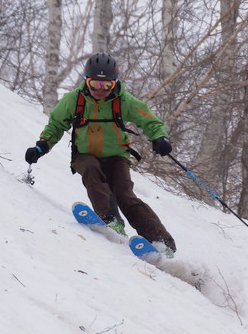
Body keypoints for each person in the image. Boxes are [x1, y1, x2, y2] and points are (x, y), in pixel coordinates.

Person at [25, 52, 176, 254]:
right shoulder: (74, 100)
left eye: (107, 86)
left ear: (115, 84)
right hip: (84, 154)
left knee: (125, 194)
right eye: (95, 84)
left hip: (116, 156)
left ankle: (161, 241)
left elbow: (149, 121)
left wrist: (160, 138)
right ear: (86, 81)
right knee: (91, 170)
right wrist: (41, 146)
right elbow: (56, 125)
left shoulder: (123, 101)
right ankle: (111, 221)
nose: (100, 90)